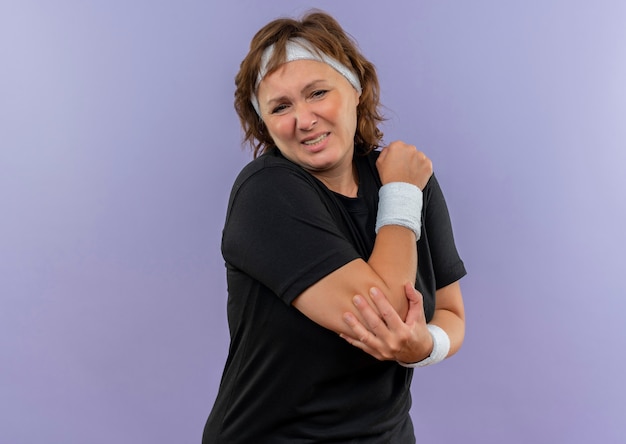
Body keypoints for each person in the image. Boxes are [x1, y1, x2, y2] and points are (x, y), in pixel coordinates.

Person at [203, 10, 466, 443]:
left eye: (317, 92)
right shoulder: (266, 193)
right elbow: (389, 317)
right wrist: (400, 193)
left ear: (356, 89)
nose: (303, 119)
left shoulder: (408, 178)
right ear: (264, 123)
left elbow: (451, 314)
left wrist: (425, 347)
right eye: (280, 107)